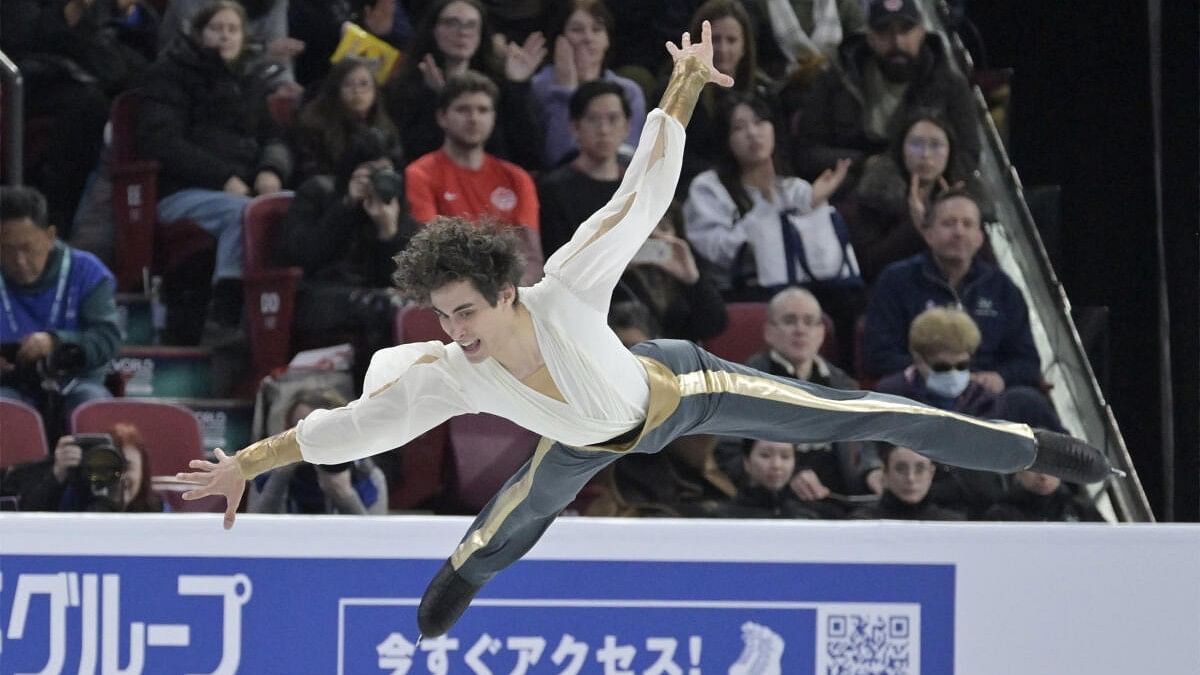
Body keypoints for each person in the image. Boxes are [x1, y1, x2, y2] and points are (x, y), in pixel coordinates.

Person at [175, 23, 1116, 641]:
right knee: (511, 520)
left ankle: (1031, 443)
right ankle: (460, 572)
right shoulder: (448, 372)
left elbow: (639, 195)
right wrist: (247, 463)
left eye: (465, 310)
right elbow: (351, 429)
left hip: (680, 391)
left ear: (505, 289)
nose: (456, 330)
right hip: (579, 437)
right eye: (442, 316)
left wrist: (680, 84)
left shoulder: (565, 289)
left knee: (861, 411)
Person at [136, 0, 293, 337]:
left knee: (293, 205)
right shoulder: (169, 75)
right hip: (182, 192)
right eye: (217, 29)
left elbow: (275, 138)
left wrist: (271, 170)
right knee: (243, 214)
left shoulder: (251, 80)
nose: (225, 36)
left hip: (245, 188)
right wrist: (222, 178)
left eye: (233, 29)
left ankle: (283, 314)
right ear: (198, 33)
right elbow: (162, 142)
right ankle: (225, 316)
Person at [683, 92, 862, 359]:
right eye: (740, 128)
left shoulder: (794, 187)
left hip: (801, 284)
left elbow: (821, 258)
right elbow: (718, 253)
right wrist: (766, 211)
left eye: (760, 123)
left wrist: (813, 206)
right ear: (726, 139)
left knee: (850, 303)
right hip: (743, 288)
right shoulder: (708, 188)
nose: (753, 134)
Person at [715, 287, 874, 516]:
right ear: (769, 331)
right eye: (790, 321)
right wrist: (784, 476)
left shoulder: (843, 384)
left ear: (821, 333)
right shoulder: (744, 384)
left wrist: (873, 470)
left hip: (842, 501)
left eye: (809, 322)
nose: (800, 330)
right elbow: (728, 453)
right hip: (775, 503)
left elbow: (866, 443)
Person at [862, 189, 1041, 391]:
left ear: (980, 238)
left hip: (985, 395)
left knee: (1028, 402)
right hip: (921, 390)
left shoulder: (1003, 288)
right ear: (928, 234)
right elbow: (878, 355)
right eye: (948, 223)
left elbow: (1027, 362)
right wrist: (936, 373)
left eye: (967, 224)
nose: (958, 232)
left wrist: (1000, 377)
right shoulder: (896, 280)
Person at [274, 127, 416, 375]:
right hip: (317, 295)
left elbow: (397, 280)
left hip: (373, 296)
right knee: (385, 305)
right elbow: (304, 256)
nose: (376, 181)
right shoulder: (318, 192)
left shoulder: (394, 207)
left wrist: (388, 232)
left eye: (384, 173)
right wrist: (346, 206)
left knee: (413, 306)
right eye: (368, 173)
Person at [791, 0, 979, 182]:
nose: (897, 42)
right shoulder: (838, 76)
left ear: (921, 33)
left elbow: (968, 154)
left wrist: (925, 178)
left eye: (906, 30)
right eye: (884, 31)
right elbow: (808, 152)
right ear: (870, 37)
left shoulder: (949, 82)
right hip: (853, 183)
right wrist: (864, 163)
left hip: (925, 186)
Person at [404, 70, 544, 284]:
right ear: (442, 117)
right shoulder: (420, 174)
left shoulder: (517, 178)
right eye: (463, 109)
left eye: (483, 110)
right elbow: (432, 251)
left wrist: (510, 296)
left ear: (493, 117)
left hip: (508, 294)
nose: (474, 118)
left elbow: (531, 258)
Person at [1, 186, 121, 428]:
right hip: (9, 386)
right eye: (6, 250)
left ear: (50, 236)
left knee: (91, 407)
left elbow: (107, 338)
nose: (20, 261)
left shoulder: (87, 271)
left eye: (27, 248)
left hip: (77, 381)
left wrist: (56, 341)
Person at [385, 0, 546, 171]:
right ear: (433, 30)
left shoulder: (500, 86)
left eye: (471, 25)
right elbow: (411, 153)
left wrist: (517, 86)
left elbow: (530, 156)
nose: (462, 32)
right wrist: (435, 98)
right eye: (451, 23)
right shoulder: (408, 86)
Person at [849, 108, 984, 284]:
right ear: (901, 149)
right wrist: (914, 227)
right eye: (916, 144)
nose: (925, 155)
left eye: (936, 145)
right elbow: (868, 265)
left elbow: (983, 265)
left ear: (950, 152)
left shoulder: (966, 199)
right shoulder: (874, 196)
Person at [531, 0, 647, 168]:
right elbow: (558, 158)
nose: (588, 38)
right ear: (559, 39)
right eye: (577, 30)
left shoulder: (628, 91)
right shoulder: (539, 87)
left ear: (607, 39)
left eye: (597, 29)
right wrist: (565, 90)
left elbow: (628, 158)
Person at [249, 388, 388, 514]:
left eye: (319, 433)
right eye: (299, 431)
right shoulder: (266, 474)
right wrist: (279, 478)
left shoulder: (366, 475)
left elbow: (375, 538)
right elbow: (255, 534)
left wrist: (345, 495)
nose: (308, 443)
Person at [536, 80, 630, 257]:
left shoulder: (641, 186)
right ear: (575, 127)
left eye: (613, 119)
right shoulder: (553, 190)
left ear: (627, 127)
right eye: (593, 120)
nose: (604, 130)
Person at [6, 423, 164, 512]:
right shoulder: (71, 498)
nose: (118, 476)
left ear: (143, 471)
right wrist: (57, 475)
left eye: (128, 467)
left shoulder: (158, 509)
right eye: (107, 466)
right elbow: (30, 524)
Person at [291, 56, 401, 183]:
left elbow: (397, 166)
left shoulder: (385, 127)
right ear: (335, 90)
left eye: (364, 84)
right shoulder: (314, 125)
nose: (357, 91)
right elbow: (313, 175)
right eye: (348, 85)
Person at [849, 443, 964, 520]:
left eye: (920, 469)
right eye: (900, 469)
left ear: (931, 473)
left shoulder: (954, 526)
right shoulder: (862, 523)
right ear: (885, 472)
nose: (910, 478)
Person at [714, 439, 821, 519]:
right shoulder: (725, 517)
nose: (776, 465)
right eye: (765, 455)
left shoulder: (810, 516)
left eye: (785, 456)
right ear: (747, 462)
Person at [983, 470, 1105, 523]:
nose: (1043, 476)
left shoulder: (1081, 509)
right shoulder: (1001, 516)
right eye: (1035, 469)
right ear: (1018, 472)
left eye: (1051, 468)